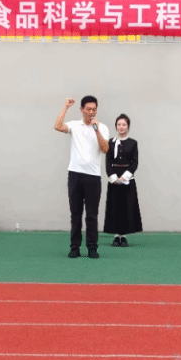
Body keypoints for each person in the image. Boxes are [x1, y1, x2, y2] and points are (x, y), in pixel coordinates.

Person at [54, 96, 109, 259]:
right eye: (88, 109)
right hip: (75, 175)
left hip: (93, 177)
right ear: (82, 110)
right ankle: (75, 247)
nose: (91, 112)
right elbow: (58, 126)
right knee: (75, 214)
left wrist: (96, 129)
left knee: (92, 215)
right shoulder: (75, 126)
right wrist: (65, 107)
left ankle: (92, 247)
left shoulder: (102, 128)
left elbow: (105, 149)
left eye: (94, 109)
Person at [104, 114, 143, 247]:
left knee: (126, 206)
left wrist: (124, 177)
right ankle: (116, 236)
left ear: (128, 126)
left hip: (127, 179)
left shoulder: (133, 143)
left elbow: (134, 163)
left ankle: (124, 236)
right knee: (115, 206)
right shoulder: (110, 142)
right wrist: (113, 177)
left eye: (124, 125)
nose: (121, 127)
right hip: (114, 178)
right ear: (116, 126)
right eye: (119, 124)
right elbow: (108, 162)